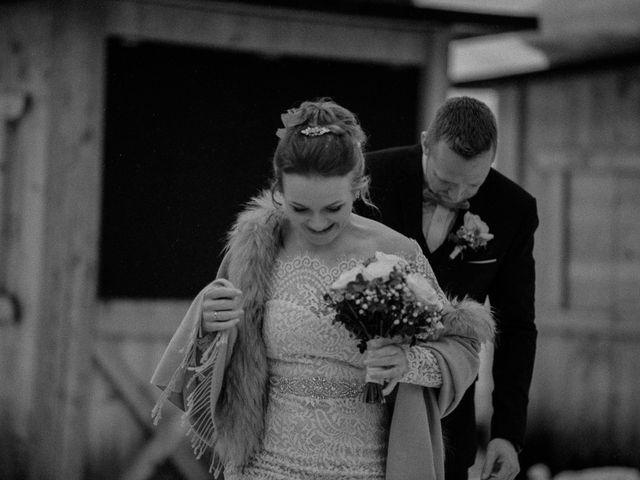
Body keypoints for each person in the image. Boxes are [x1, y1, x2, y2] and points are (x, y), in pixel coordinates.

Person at [151, 98, 494, 480]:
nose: (316, 223)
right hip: (262, 467)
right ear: (278, 189)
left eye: (333, 208)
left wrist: (407, 364)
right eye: (299, 209)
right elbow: (218, 360)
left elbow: (461, 345)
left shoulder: (397, 253)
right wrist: (211, 320)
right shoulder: (255, 249)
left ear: (359, 186)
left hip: (363, 467)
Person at [362, 96, 538, 480]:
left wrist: (507, 434)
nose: (457, 195)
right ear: (426, 143)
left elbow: (517, 325)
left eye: (473, 183)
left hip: (447, 420)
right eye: (445, 181)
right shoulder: (368, 177)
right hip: (361, 409)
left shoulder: (514, 209)